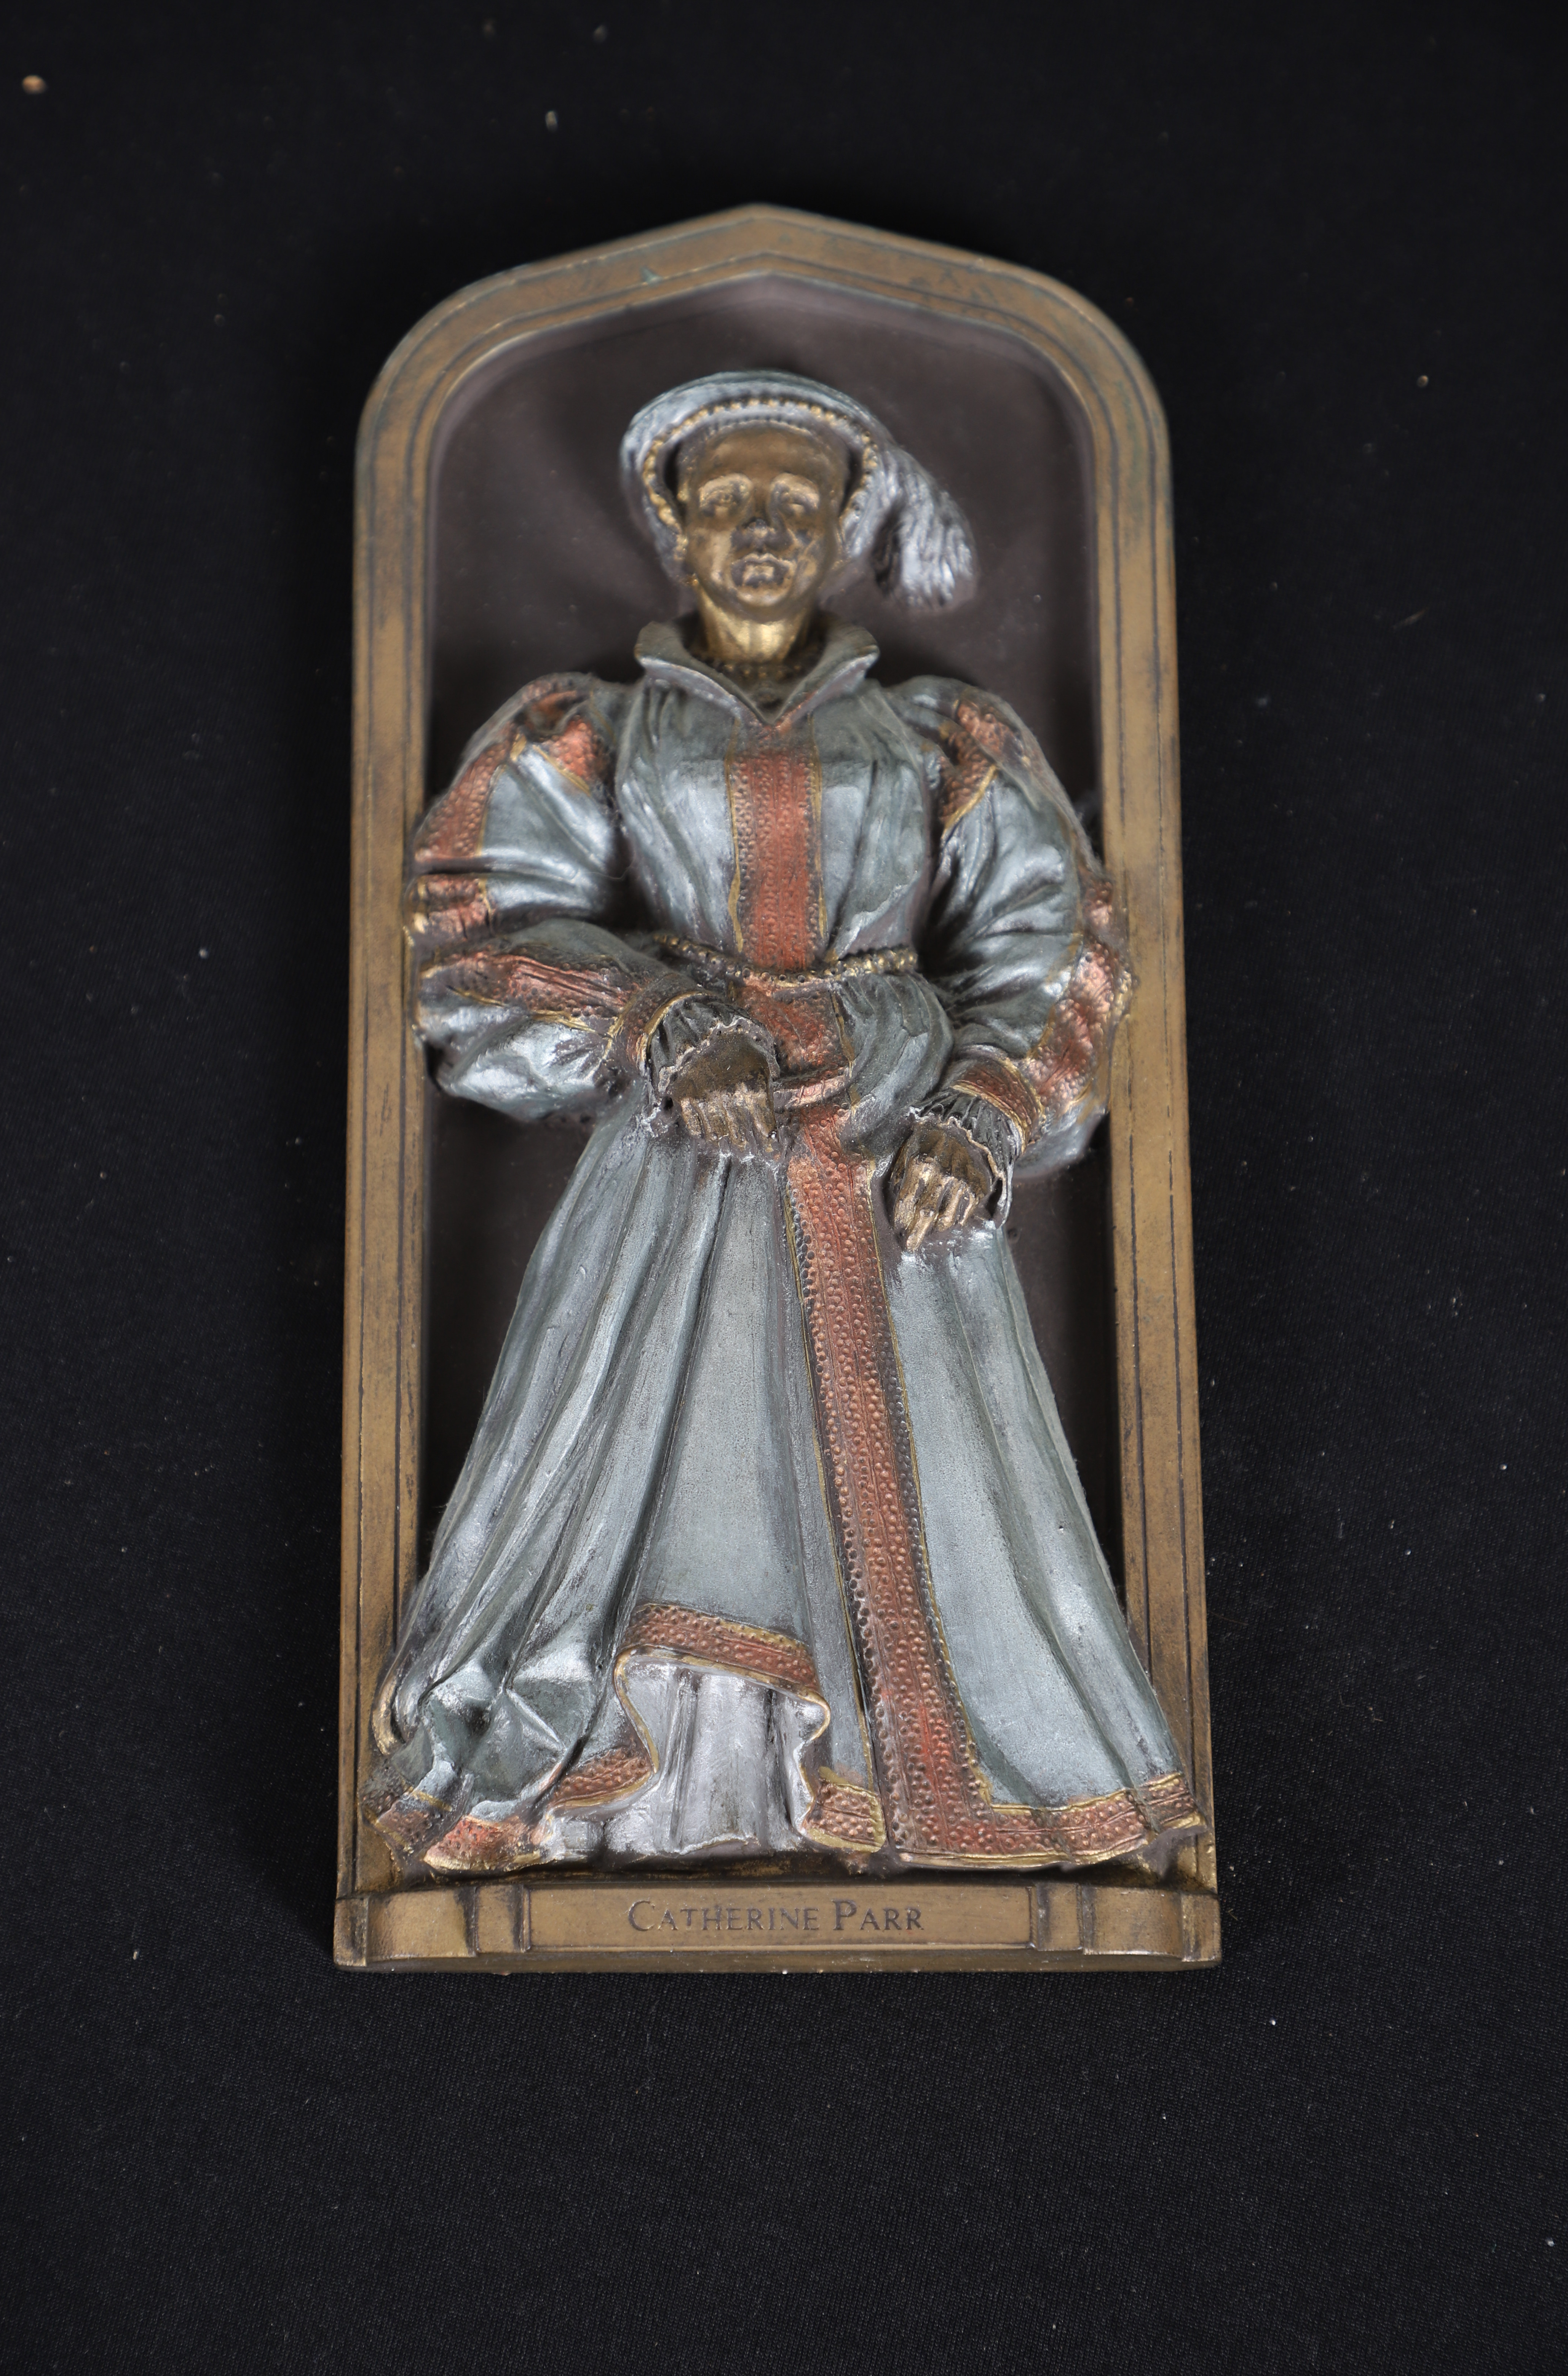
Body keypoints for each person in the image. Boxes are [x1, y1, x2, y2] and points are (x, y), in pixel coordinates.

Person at [362, 370, 1203, 1875]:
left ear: (844, 533)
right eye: (731, 501)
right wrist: (653, 1019)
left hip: (895, 1149)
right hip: (688, 1142)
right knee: (656, 1453)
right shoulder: (590, 729)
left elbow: (1057, 941)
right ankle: (666, 1787)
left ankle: (939, 1787)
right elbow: (466, 927)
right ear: (675, 527)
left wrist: (982, 1113)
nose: (762, 529)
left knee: (934, 1473)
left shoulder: (941, 736)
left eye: (797, 505)